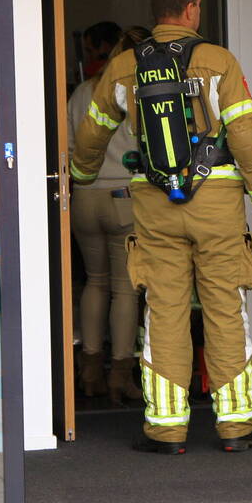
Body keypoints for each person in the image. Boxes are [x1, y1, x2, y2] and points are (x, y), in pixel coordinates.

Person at [70, 0, 252, 454]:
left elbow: (91, 134)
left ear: (157, 10)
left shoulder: (124, 67)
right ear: (192, 8)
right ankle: (236, 427)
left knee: (163, 310)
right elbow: (246, 134)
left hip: (153, 205)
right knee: (225, 308)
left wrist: (81, 176)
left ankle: (166, 429)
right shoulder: (218, 61)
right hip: (218, 204)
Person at [68, 26, 151, 402]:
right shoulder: (144, 90)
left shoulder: (85, 90)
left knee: (94, 281)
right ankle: (119, 376)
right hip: (124, 198)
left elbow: (69, 145)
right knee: (124, 289)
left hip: (84, 196)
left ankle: (89, 371)